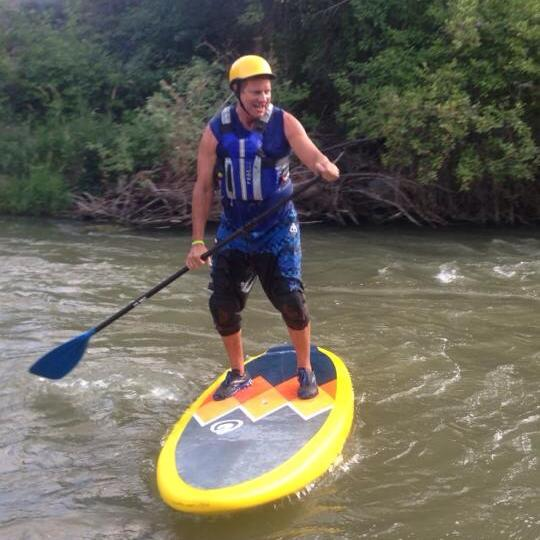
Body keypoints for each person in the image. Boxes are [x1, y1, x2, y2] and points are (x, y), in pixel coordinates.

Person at [185, 55, 339, 401]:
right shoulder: (216, 130)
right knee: (223, 305)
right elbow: (203, 187)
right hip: (234, 231)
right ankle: (239, 374)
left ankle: (305, 368)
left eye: (267, 91)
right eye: (255, 91)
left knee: (291, 302)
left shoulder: (284, 123)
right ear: (237, 91)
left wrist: (326, 167)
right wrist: (197, 241)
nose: (263, 98)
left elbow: (312, 156)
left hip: (278, 230)